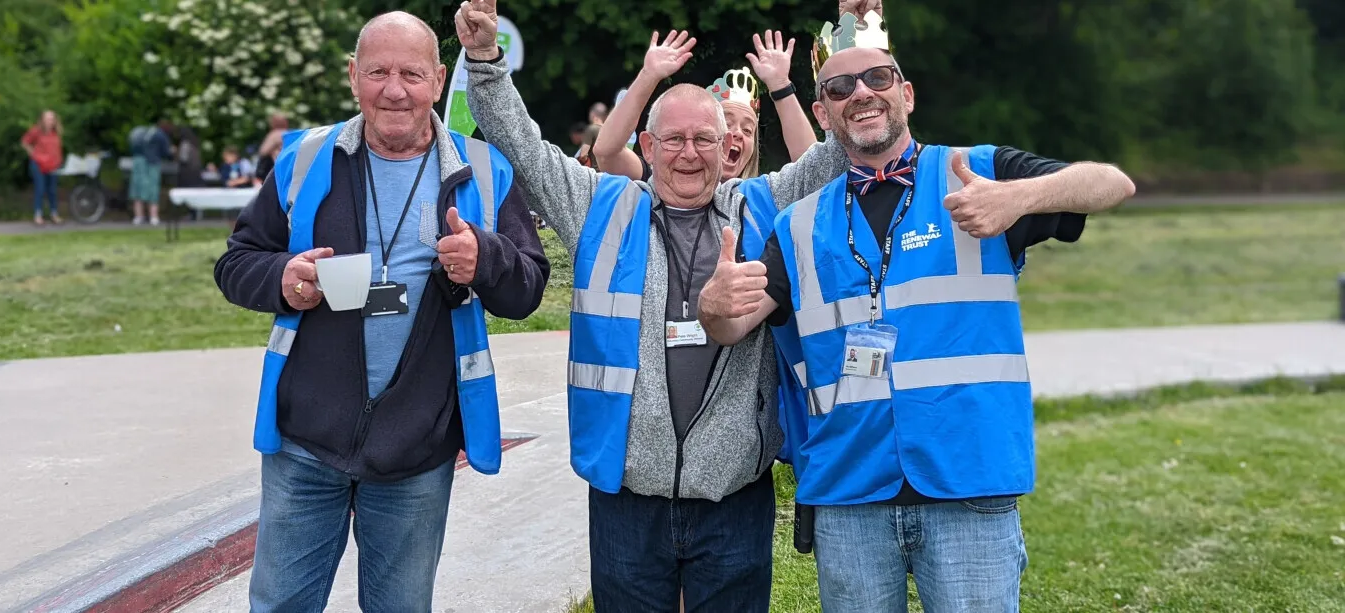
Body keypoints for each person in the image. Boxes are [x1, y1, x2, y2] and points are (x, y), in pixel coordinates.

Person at [697, 10, 1137, 612]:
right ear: (822, 114)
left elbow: (1112, 183)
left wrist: (1020, 197)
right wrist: (712, 305)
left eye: (878, 78)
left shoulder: (976, 173)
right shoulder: (796, 223)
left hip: (968, 484)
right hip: (851, 491)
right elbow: (731, 325)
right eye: (839, 88)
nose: (861, 94)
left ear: (905, 93)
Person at [456, 1, 856, 610]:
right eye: (673, 139)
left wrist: (861, 31)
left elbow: (840, 152)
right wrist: (485, 59)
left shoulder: (765, 206)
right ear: (648, 142)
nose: (689, 153)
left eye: (705, 139)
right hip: (627, 496)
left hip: (734, 496)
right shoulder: (602, 206)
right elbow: (523, 145)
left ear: (730, 149)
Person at [212, 11, 549, 611]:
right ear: (353, 77)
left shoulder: (484, 170)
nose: (395, 89)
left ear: (440, 80)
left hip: (415, 450)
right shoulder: (306, 159)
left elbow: (527, 290)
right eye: (378, 72)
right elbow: (236, 262)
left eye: (412, 74)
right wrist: (282, 280)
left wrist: (485, 259)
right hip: (305, 444)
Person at [591, 29, 817, 182]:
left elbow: (814, 168)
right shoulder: (665, 181)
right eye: (727, 124)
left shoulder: (762, 197)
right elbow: (607, 153)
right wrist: (648, 76)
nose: (737, 134)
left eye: (748, 130)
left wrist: (781, 86)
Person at [21, 109, 64, 225]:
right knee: (40, 189)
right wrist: (33, 154)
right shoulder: (36, 131)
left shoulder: (56, 133)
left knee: (52, 191)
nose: (50, 121)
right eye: (48, 119)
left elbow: (57, 149)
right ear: (42, 120)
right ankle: (38, 215)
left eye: (52, 119)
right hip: (39, 164)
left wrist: (58, 161)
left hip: (53, 165)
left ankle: (54, 214)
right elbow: (25, 142)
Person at [127, 121, 172, 226]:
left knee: (137, 190)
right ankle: (154, 217)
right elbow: (166, 152)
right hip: (152, 164)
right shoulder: (160, 135)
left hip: (138, 163)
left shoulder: (142, 132)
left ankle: (138, 217)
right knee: (153, 190)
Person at [254, 113, 289, 182]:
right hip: (288, 166)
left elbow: (263, 151)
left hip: (277, 168)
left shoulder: (274, 134)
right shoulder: (290, 133)